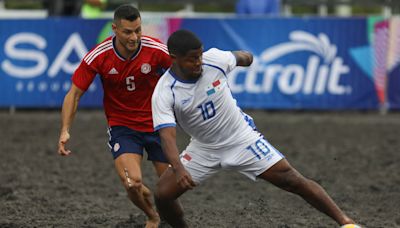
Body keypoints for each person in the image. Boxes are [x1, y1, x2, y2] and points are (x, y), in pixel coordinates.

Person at [151, 30, 360, 228]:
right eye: (192, 59)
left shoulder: (215, 59)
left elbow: (243, 57)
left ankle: (345, 222)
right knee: (162, 194)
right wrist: (178, 168)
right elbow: (167, 137)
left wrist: (246, 58)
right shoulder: (165, 92)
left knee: (291, 179)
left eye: (199, 56)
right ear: (174, 58)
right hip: (204, 149)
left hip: (242, 138)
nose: (199, 63)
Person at [57, 4, 171, 228]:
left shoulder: (156, 49)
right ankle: (152, 216)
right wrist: (65, 129)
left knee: (171, 188)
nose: (135, 37)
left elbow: (183, 75)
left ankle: (167, 212)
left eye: (138, 30)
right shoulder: (99, 56)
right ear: (114, 29)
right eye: (128, 32)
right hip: (123, 127)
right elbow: (74, 94)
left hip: (158, 123)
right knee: (132, 184)